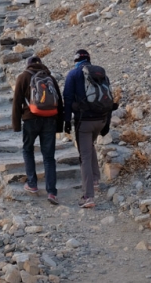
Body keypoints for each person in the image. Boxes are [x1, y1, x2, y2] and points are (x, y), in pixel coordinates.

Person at [63, 49, 113, 209]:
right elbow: (110, 100)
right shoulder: (101, 73)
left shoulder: (73, 75)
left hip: (84, 123)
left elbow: (68, 99)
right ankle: (96, 180)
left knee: (84, 156)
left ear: (76, 60)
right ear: (89, 60)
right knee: (90, 146)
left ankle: (88, 196)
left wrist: (65, 121)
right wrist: (107, 124)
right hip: (101, 120)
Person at [12, 55, 63, 205]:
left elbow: (17, 102)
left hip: (30, 119)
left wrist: (16, 125)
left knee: (28, 150)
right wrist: (59, 126)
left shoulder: (23, 77)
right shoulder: (50, 78)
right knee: (49, 157)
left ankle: (32, 184)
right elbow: (59, 102)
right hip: (50, 120)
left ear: (28, 66)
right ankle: (52, 192)